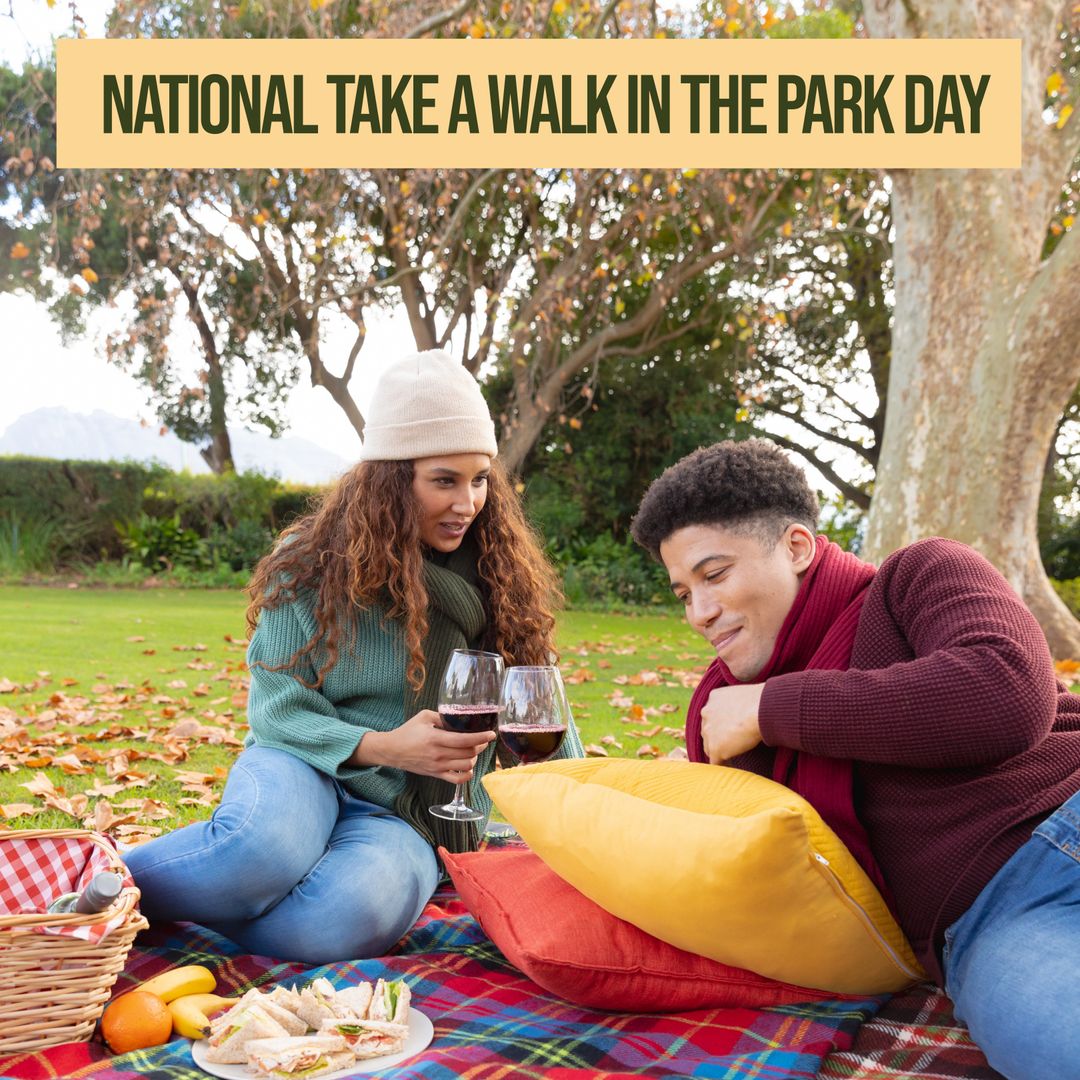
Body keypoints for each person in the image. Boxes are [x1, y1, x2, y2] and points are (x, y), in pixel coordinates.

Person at [629, 438, 1080, 1080]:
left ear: (796, 547)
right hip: (994, 920)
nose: (699, 613)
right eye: (682, 593)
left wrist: (772, 708)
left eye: (715, 575)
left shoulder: (917, 577)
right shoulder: (723, 715)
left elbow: (1006, 692)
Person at [125, 350, 583, 965]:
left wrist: (586, 821)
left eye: (480, 479)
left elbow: (545, 718)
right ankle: (77, 892)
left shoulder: (501, 578)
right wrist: (387, 746)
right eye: (444, 480)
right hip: (304, 766)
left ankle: (190, 918)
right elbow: (278, 711)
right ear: (392, 480)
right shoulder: (310, 561)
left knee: (341, 920)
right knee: (256, 854)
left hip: (413, 813)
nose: (467, 502)